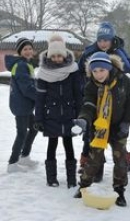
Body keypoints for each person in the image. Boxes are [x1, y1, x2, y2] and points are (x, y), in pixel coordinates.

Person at [73, 52, 130, 207]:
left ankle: (119, 189)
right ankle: (84, 186)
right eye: (94, 71)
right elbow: (89, 105)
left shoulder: (122, 80)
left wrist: (127, 122)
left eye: (102, 70)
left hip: (119, 127)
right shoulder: (91, 86)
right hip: (99, 127)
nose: (98, 74)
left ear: (109, 69)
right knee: (93, 158)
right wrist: (83, 119)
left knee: (120, 159)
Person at [77, 21, 130, 179]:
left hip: (115, 99)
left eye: (106, 40)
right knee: (91, 133)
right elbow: (81, 67)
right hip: (94, 95)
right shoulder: (91, 51)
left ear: (112, 40)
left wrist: (117, 49)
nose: (103, 43)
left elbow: (128, 66)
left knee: (117, 133)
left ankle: (123, 160)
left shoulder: (117, 51)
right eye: (100, 40)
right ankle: (90, 164)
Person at [34, 34, 82, 188]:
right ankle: (51, 178)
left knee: (69, 145)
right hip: (51, 116)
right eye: (53, 56)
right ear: (49, 56)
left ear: (64, 55)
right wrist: (38, 119)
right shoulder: (43, 74)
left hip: (69, 115)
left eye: (59, 55)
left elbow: (78, 94)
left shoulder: (73, 71)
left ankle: (71, 179)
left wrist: (80, 116)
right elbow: (40, 99)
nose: (56, 58)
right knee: (52, 145)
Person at [5, 37, 38, 173]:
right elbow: (26, 88)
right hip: (21, 105)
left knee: (34, 128)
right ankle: (12, 163)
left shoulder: (25, 63)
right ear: (19, 51)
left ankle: (24, 156)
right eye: (25, 49)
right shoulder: (21, 65)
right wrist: (40, 97)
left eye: (30, 48)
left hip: (25, 105)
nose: (28, 51)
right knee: (22, 133)